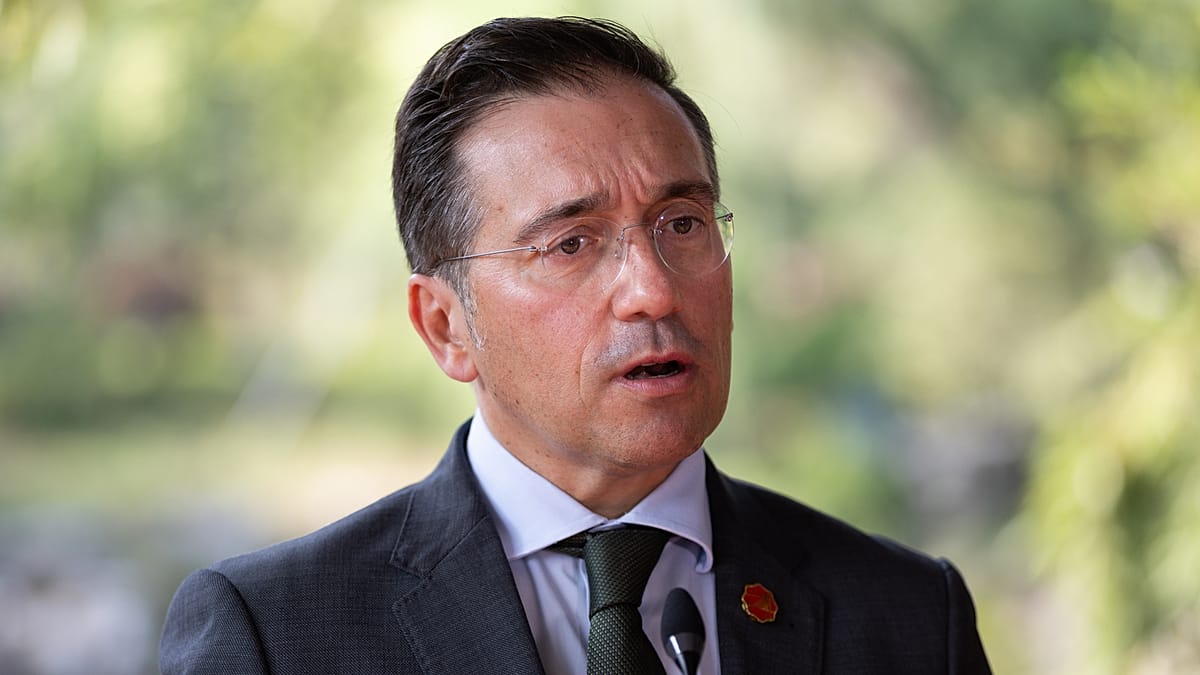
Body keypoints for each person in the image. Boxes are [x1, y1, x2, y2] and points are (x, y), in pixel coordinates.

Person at [160, 16, 992, 674]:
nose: (653, 289)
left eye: (682, 224)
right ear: (446, 326)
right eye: (571, 243)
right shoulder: (276, 634)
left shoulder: (910, 615)